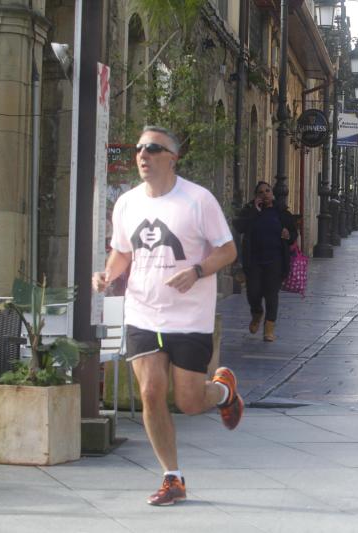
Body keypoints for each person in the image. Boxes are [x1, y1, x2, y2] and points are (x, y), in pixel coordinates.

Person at [92, 126, 242, 506]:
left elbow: (227, 251)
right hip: (143, 312)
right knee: (151, 392)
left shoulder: (197, 200)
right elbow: (123, 251)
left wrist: (196, 272)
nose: (143, 154)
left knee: (190, 402)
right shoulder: (127, 203)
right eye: (140, 148)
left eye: (153, 148)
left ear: (172, 158)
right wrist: (109, 274)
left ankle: (223, 391)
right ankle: (171, 477)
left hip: (190, 317)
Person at [232, 181, 298, 342]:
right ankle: (256, 313)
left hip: (275, 260)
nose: (265, 194)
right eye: (261, 192)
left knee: (271, 294)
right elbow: (239, 226)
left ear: (272, 193)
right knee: (253, 292)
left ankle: (269, 328)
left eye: (267, 191)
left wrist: (288, 235)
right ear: (256, 195)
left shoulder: (281, 212)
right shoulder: (250, 210)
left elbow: (293, 233)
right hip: (253, 260)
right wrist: (255, 209)